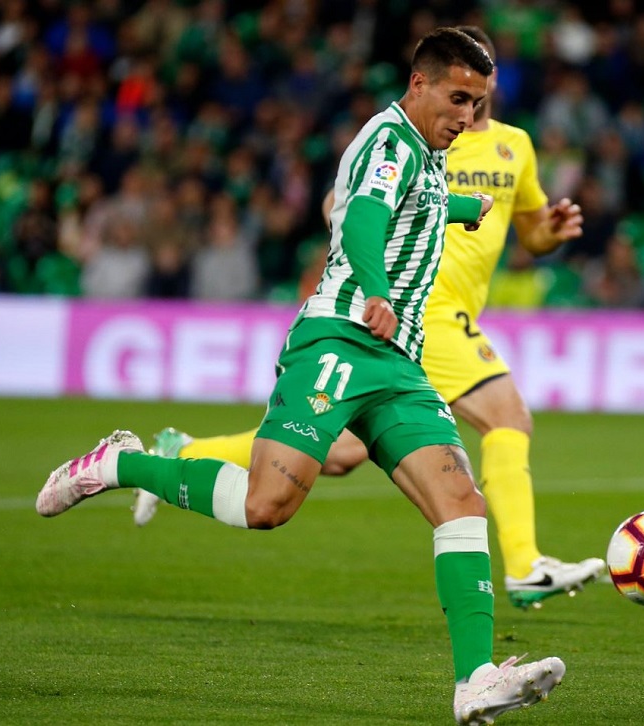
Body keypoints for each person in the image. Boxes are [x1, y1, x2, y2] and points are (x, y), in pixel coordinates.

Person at [36, 28, 565, 725]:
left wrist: (466, 209)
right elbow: (365, 220)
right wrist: (376, 290)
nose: (468, 116)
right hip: (340, 340)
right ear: (420, 84)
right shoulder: (389, 142)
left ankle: (475, 680)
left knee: (461, 502)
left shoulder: (429, 154)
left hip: (397, 364)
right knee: (267, 507)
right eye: (458, 99)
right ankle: (119, 465)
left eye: (478, 103)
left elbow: (416, 209)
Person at [136, 26, 605, 610]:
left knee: (336, 452)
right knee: (507, 416)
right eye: (459, 91)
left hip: (445, 315)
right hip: (417, 308)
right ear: (436, 82)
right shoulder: (420, 137)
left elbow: (530, 232)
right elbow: (348, 204)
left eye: (478, 91)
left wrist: (550, 233)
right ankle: (526, 564)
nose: (467, 106)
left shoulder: (515, 146)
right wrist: (368, 256)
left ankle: (182, 452)